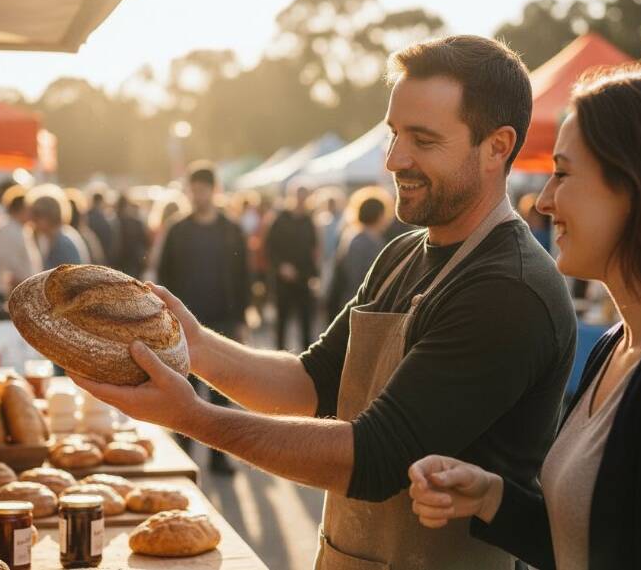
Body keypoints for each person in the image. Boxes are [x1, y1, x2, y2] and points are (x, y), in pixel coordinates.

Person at [69, 35, 575, 570]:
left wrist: (193, 416)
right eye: (394, 134)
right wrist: (195, 347)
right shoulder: (402, 252)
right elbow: (311, 382)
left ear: (497, 146)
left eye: (422, 140)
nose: (393, 159)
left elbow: (376, 457)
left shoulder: (508, 288)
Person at [408, 66, 641, 570]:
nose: (546, 201)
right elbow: (594, 544)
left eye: (564, 172)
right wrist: (492, 498)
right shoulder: (620, 343)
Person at [156, 163, 249, 474]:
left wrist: (242, 315)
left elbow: (243, 275)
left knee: (221, 392)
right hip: (182, 323)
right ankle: (183, 455)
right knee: (183, 389)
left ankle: (219, 457)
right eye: (193, 190)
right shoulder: (178, 230)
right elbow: (163, 275)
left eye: (203, 189)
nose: (198, 196)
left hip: (222, 319)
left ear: (214, 190)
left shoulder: (231, 230)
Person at [266, 184, 319, 350]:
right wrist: (281, 266)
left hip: (303, 277)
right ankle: (279, 352)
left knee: (306, 320)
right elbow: (269, 247)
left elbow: (314, 248)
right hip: (282, 278)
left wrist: (314, 275)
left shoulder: (309, 221)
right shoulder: (280, 219)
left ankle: (307, 355)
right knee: (282, 320)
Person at [325, 186, 392, 318]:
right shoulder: (360, 240)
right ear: (379, 214)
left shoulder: (358, 236)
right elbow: (356, 279)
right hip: (358, 307)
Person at [0, 185, 42, 299]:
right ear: (22, 209)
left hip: (15, 292)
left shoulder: (17, 230)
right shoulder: (10, 231)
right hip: (8, 294)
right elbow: (9, 267)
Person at [28, 188, 85, 270]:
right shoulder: (55, 238)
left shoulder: (64, 243)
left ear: (48, 216)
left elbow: (73, 278)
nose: (32, 222)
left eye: (36, 216)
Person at [113, 194, 149, 279]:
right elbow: (145, 243)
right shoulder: (137, 223)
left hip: (120, 264)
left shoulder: (114, 222)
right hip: (135, 263)